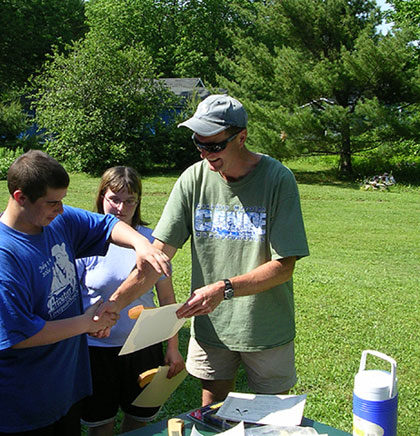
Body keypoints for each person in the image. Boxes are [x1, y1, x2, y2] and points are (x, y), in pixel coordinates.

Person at [99, 94, 309, 407]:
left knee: (270, 419)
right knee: (213, 415)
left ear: (241, 137)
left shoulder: (278, 179)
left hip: (266, 329)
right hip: (212, 330)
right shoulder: (193, 180)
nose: (204, 153)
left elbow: (284, 267)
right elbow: (156, 258)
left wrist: (224, 289)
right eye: (199, 143)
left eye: (214, 145)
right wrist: (113, 305)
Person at [0, 150, 171, 435]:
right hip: (24, 400)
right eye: (52, 202)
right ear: (20, 197)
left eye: (62, 200)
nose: (61, 209)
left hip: (65, 390)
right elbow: (18, 335)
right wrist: (86, 323)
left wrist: (142, 245)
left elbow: (107, 225)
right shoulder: (0, 258)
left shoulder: (56, 222)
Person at [76, 166, 185, 435]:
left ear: (138, 203)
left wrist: (172, 347)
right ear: (101, 197)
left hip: (143, 348)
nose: (121, 208)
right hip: (95, 351)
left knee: (139, 420)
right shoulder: (84, 242)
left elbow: (167, 298)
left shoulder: (151, 242)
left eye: (130, 201)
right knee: (100, 424)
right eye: (114, 199)